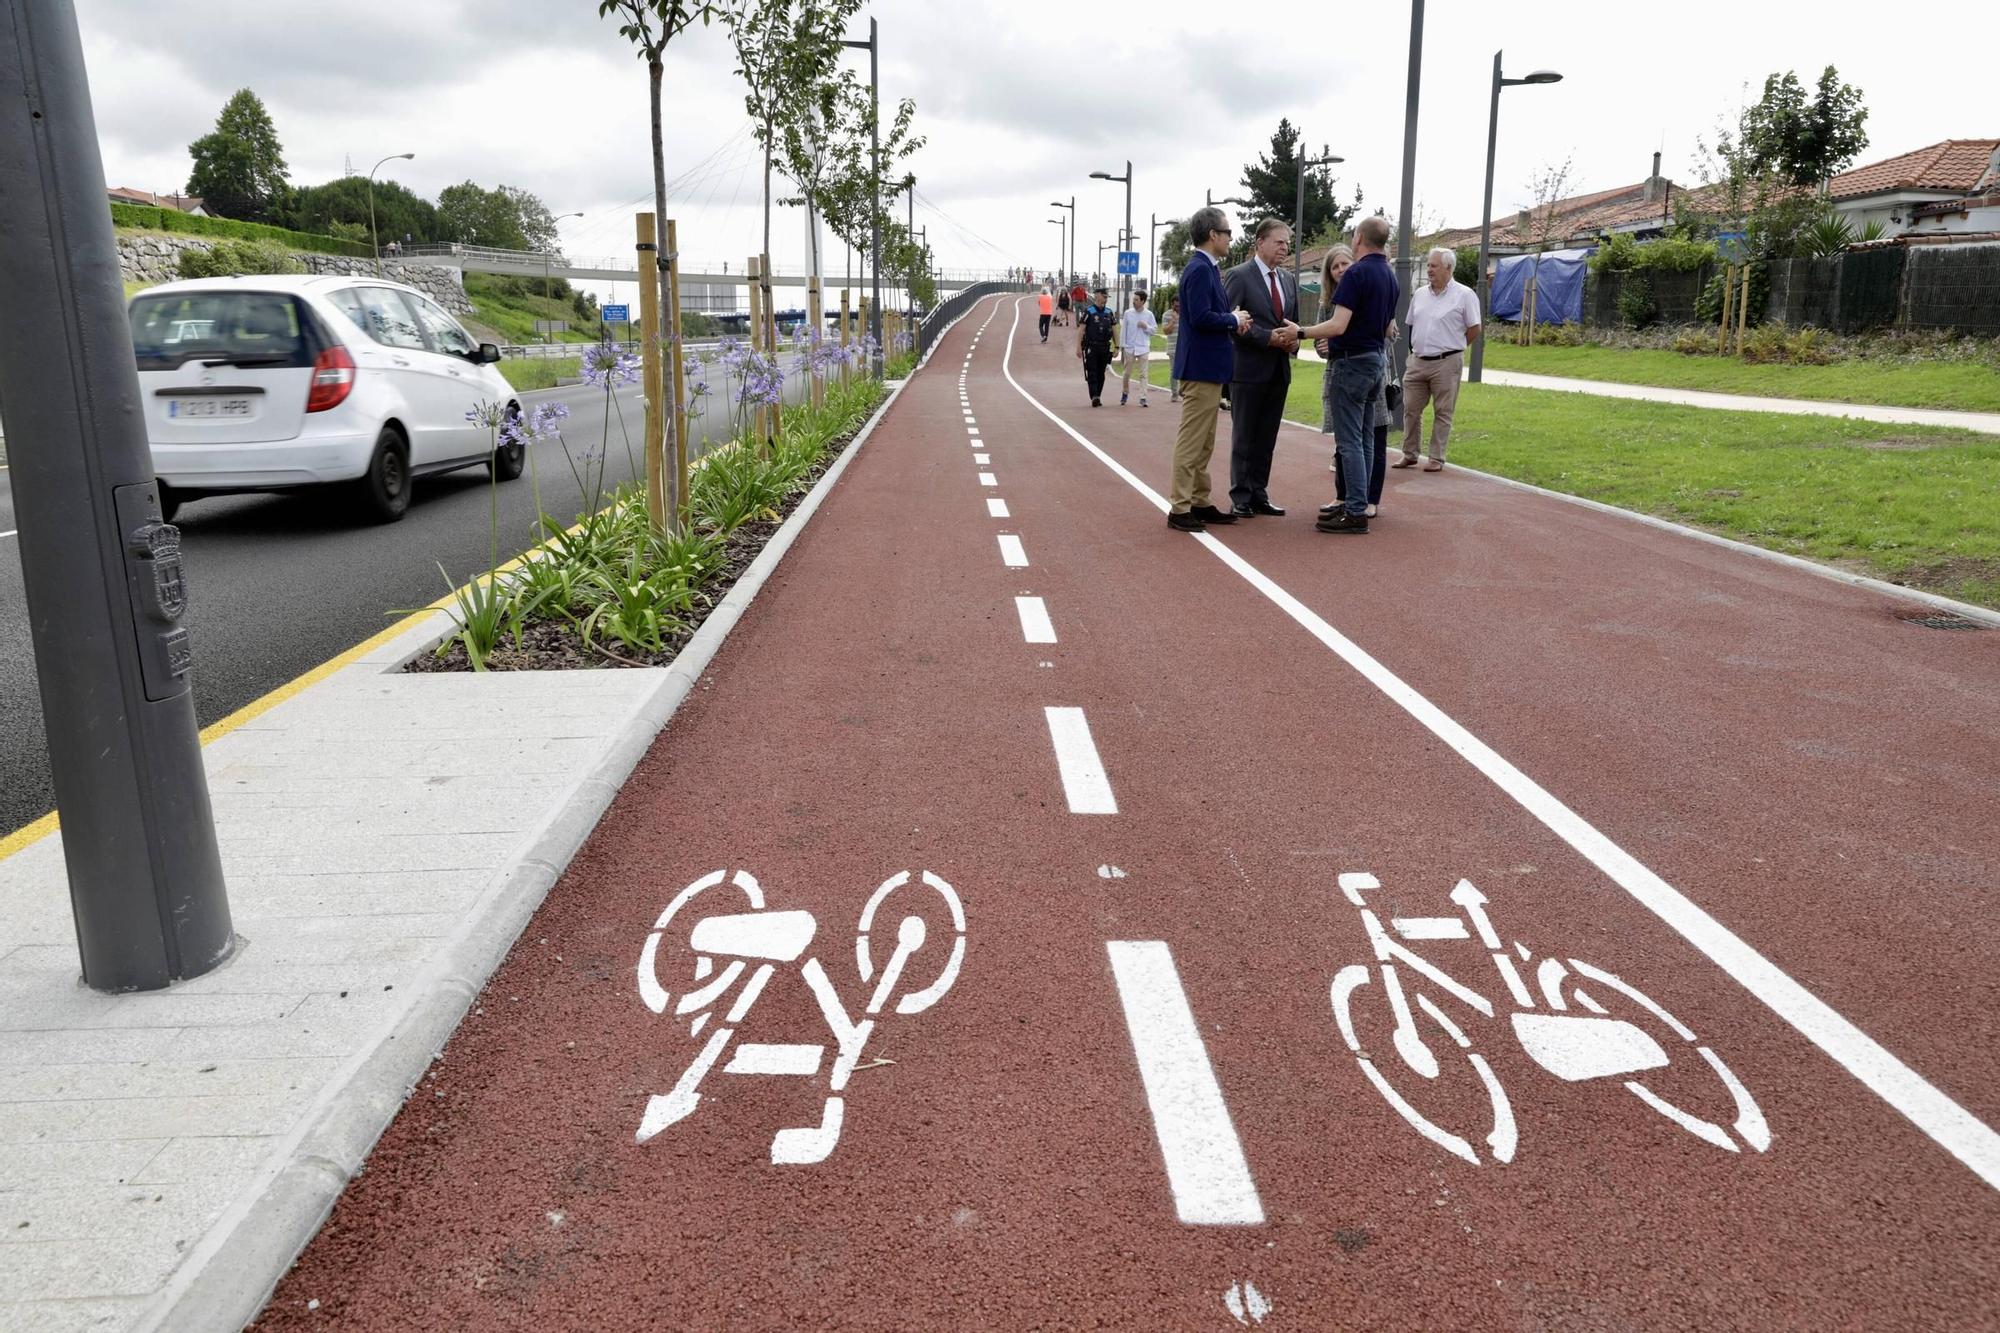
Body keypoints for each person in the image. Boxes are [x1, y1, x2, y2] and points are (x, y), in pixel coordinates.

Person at [1290, 214, 1399, 535]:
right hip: (1375, 361)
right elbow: (1386, 326)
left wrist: (1301, 332)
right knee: (1365, 438)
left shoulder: (1357, 275)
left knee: (1349, 440)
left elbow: (1338, 325)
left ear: (1358, 238)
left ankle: (1353, 511)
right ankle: (1358, 502)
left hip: (1351, 363)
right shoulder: (1390, 276)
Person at [1165, 206, 1253, 532]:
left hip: (1209, 366)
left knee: (1204, 441)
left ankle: (1198, 501)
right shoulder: (1201, 270)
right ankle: (1180, 507)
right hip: (1201, 367)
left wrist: (1232, 321)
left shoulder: (1208, 268)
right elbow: (1200, 317)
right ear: (1213, 235)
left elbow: (1206, 316)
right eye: (1228, 232)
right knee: (1192, 441)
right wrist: (1233, 319)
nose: (1231, 237)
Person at [1222, 218, 1300, 517]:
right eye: (1279, 242)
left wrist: (1293, 342)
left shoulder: (1289, 280)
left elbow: (1290, 324)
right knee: (1244, 435)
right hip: (1248, 370)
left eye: (1287, 244)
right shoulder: (1239, 276)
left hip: (1279, 370)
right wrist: (1267, 338)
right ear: (1260, 243)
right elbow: (1229, 321)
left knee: (1267, 436)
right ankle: (1240, 495)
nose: (1285, 248)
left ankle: (1258, 493)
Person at [1313, 245, 1388, 519]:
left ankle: (1361, 504)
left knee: (1361, 441)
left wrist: (1300, 332)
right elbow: (1327, 340)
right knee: (1353, 441)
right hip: (1348, 369)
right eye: (1335, 266)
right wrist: (1324, 346)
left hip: (1360, 370)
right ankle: (1348, 499)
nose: (1341, 270)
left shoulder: (1366, 289)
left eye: (1345, 263)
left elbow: (1340, 330)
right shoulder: (1329, 302)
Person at [1394, 245, 1481, 472]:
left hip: (1447, 361)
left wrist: (1455, 346)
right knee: (1410, 409)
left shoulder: (1465, 295)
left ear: (1448, 268)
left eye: (1434, 266)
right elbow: (1411, 323)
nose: (1430, 270)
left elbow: (1474, 328)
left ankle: (1436, 457)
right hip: (1418, 360)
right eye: (1429, 265)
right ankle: (1410, 453)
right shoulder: (1420, 294)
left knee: (1443, 412)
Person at [1075, 284, 1117, 407]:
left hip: (1105, 347)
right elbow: (1081, 330)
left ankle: (1098, 394)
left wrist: (1117, 346)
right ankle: (1094, 396)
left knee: (1101, 373)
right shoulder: (1089, 311)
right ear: (1097, 296)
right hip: (1092, 347)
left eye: (1106, 297)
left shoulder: (1109, 313)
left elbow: (1114, 330)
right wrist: (1078, 346)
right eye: (1104, 296)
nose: (1106, 299)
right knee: (1092, 372)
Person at [1117, 289, 1158, 407]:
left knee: (1143, 374)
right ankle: (1125, 393)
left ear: (1143, 301)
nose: (1134, 302)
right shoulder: (1128, 313)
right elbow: (1123, 330)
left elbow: (1154, 330)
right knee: (1126, 373)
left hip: (1143, 347)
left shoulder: (1149, 314)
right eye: (1133, 299)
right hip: (1130, 347)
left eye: (1136, 300)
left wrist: (1146, 326)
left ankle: (1143, 397)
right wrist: (1122, 346)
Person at [1161, 296, 1183, 401]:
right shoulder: (1166, 315)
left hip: (1184, 347)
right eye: (1176, 306)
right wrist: (1173, 320)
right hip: (1173, 347)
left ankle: (1183, 391)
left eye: (1179, 306)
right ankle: (1174, 393)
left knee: (1186, 370)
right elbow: (1166, 331)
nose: (1178, 308)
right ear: (1172, 305)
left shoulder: (1186, 313)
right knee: (1174, 370)